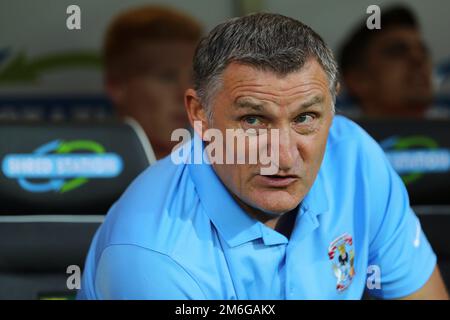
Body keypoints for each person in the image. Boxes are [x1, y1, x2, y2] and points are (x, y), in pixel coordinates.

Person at [78, 13, 448, 299]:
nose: (283, 157)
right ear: (199, 115)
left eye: (305, 118)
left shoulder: (355, 158)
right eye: (253, 120)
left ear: (332, 111)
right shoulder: (152, 253)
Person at [103, 5, 202, 159]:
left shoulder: (223, 168)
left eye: (193, 78)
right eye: (167, 77)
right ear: (116, 86)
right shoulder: (88, 170)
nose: (188, 93)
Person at [338, 5, 433, 118]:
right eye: (397, 51)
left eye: (423, 51)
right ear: (358, 80)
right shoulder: (333, 134)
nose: (418, 59)